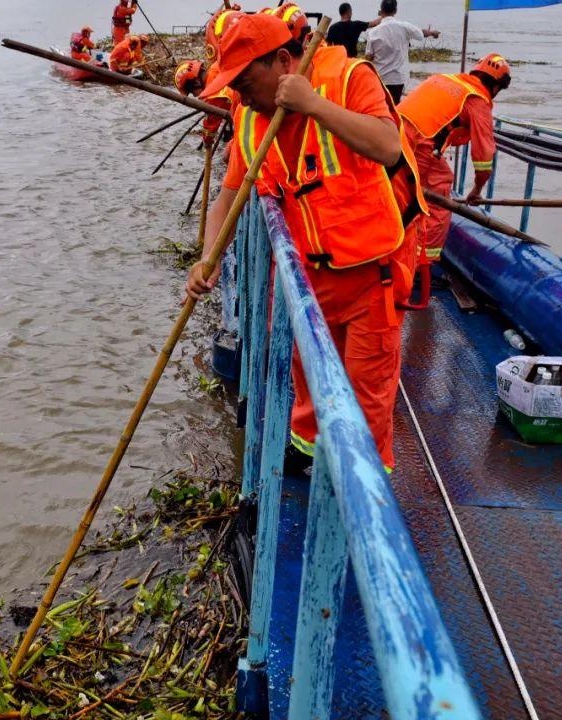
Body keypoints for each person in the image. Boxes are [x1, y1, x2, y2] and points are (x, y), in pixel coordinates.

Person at [186, 12, 427, 472]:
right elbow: (228, 199)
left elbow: (387, 145)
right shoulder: (251, 117)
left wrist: (313, 104)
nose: (238, 94)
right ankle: (303, 460)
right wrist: (208, 258)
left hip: (370, 276)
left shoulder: (350, 78)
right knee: (308, 383)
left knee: (366, 396)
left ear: (281, 60)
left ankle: (361, 497)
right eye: (230, 85)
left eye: (243, 80)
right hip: (308, 278)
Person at [396, 53, 511, 308]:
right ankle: (419, 268)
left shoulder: (446, 80)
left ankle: (402, 258)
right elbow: (484, 156)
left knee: (404, 198)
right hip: (419, 146)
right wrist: (477, 189)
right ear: (495, 86)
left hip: (395, 135)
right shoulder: (478, 100)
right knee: (437, 199)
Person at [365, 0, 440, 104]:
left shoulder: (372, 32)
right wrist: (432, 33)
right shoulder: (404, 26)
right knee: (395, 107)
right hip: (398, 79)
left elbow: (369, 56)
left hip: (380, 78)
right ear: (395, 11)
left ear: (381, 11)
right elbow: (420, 33)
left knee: (382, 108)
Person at [174, 60, 237, 148]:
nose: (195, 96)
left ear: (196, 82)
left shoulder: (212, 93)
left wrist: (207, 142)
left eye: (192, 92)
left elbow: (210, 124)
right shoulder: (215, 67)